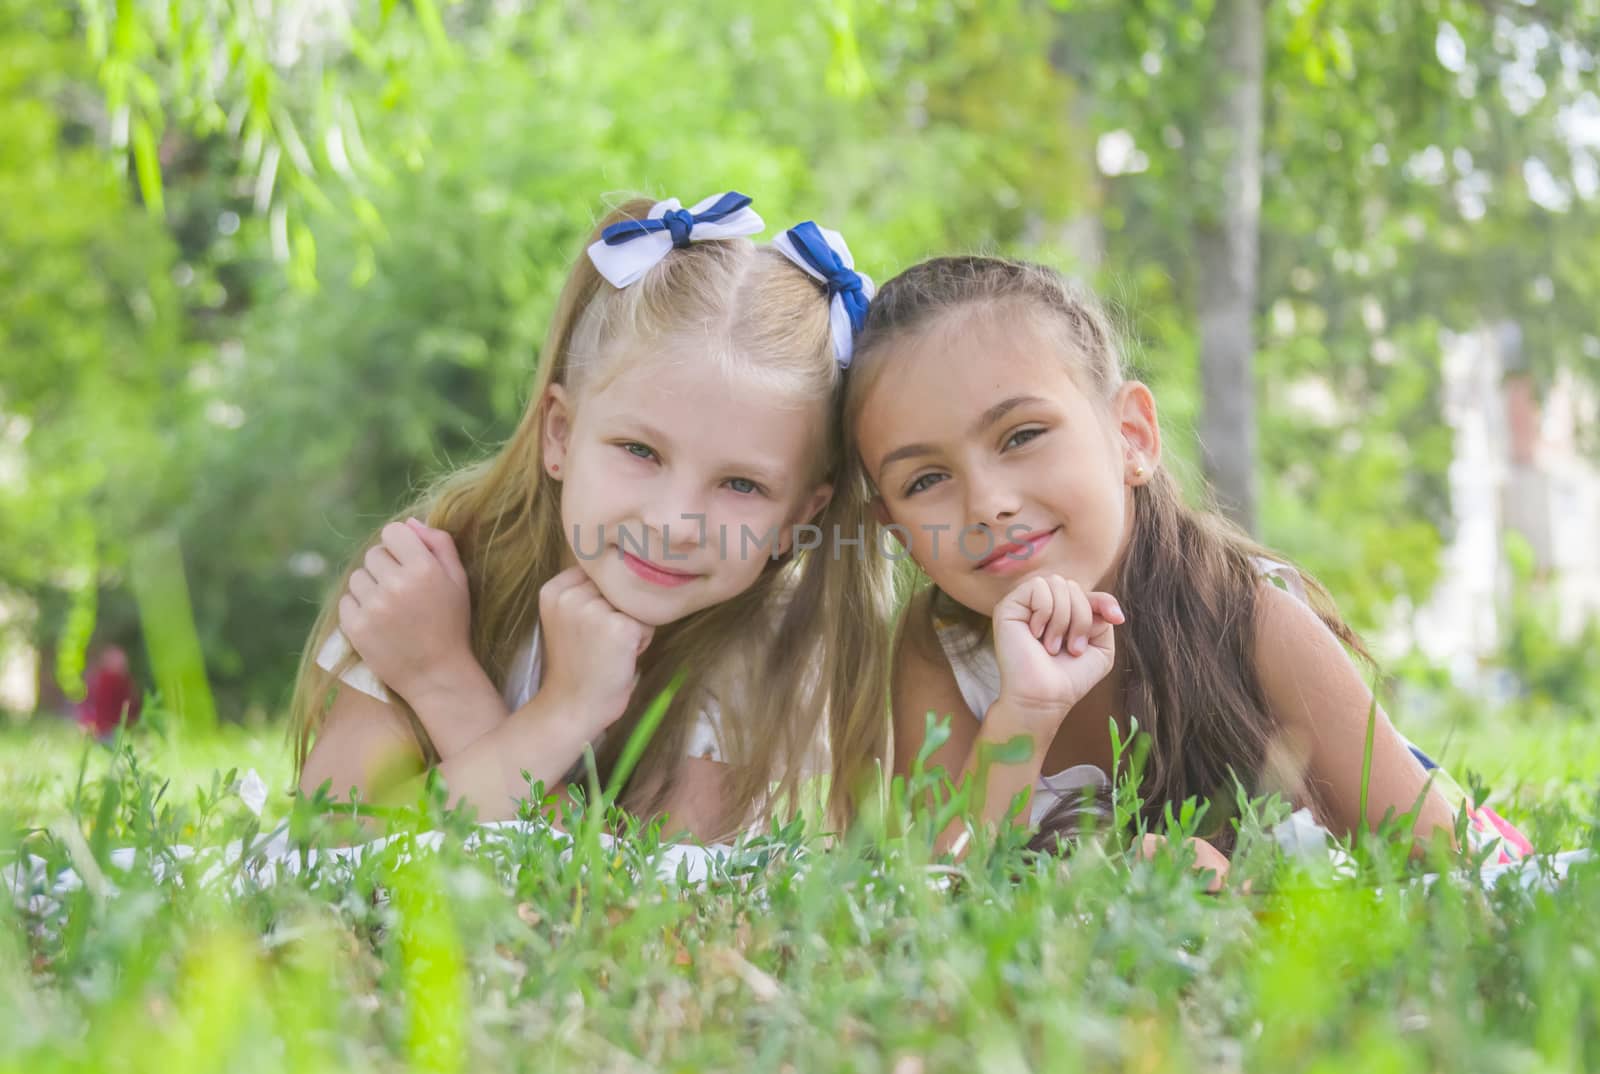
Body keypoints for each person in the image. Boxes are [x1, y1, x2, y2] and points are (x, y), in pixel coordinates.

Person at [844, 254, 1531, 864]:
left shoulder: (1246, 614)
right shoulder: (942, 649)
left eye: (1021, 435)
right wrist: (1024, 711)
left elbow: (1445, 875)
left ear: (1133, 437)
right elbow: (944, 887)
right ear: (898, 532)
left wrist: (1249, 903)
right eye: (925, 481)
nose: (987, 504)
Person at [290, 193, 894, 843]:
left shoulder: (766, 646)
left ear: (799, 517)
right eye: (640, 451)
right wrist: (469, 676)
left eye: (741, 484)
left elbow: (634, 916)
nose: (674, 523)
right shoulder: (439, 577)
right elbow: (327, 846)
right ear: (560, 434)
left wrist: (459, 689)